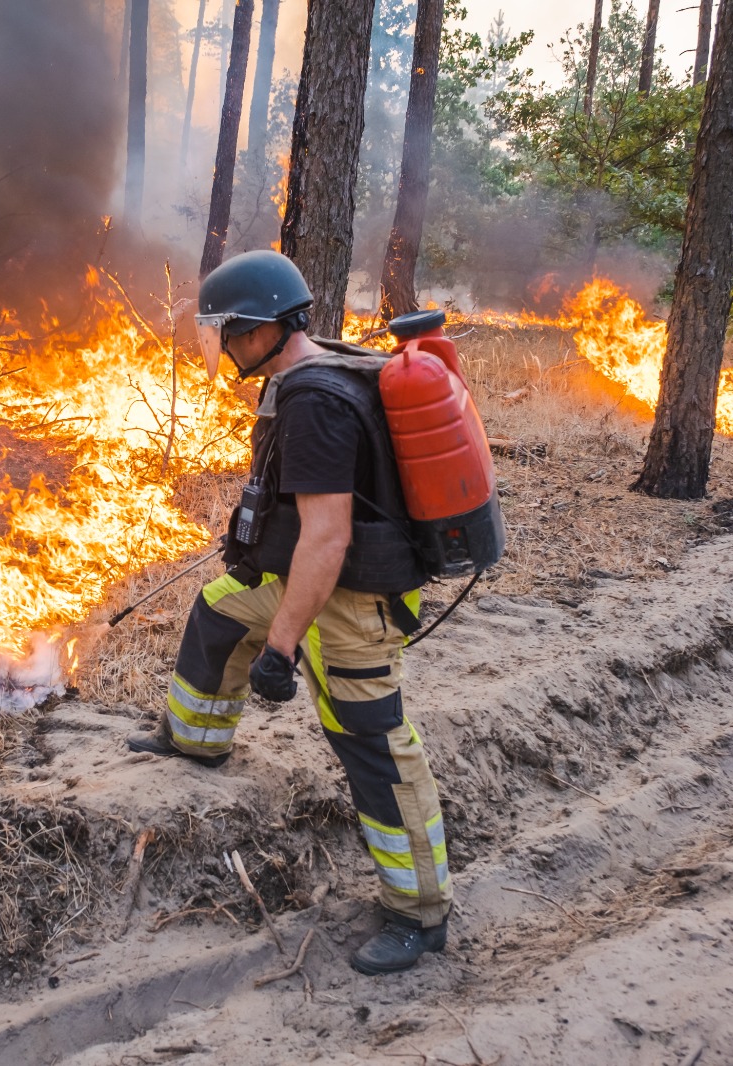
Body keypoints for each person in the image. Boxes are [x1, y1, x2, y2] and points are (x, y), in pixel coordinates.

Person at [126, 250, 451, 975]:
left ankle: (419, 914)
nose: (223, 346)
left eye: (226, 332)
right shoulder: (313, 365)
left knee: (374, 746)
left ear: (258, 329)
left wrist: (281, 649)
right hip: (318, 579)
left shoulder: (312, 402)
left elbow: (328, 536)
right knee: (217, 609)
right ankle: (198, 739)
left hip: (350, 603)